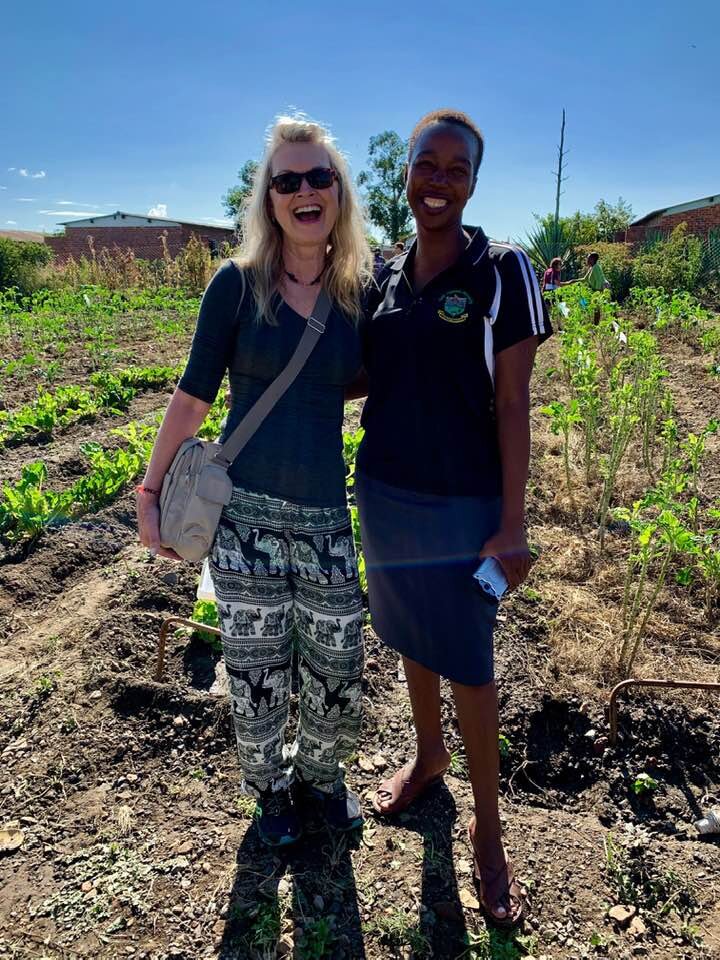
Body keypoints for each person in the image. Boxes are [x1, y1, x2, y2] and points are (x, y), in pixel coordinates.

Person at [137, 115, 372, 847]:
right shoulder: (236, 287)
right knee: (256, 670)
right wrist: (149, 495)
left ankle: (322, 779)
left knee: (339, 665)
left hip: (328, 518)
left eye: (319, 177)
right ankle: (270, 793)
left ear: (339, 192)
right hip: (241, 518)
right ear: (268, 200)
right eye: (287, 180)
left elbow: (378, 384)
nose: (305, 190)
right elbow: (192, 395)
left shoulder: (358, 294)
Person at [355, 109, 551, 928]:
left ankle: (490, 830)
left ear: (473, 181)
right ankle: (428, 756)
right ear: (405, 173)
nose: (437, 181)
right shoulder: (381, 279)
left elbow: (512, 403)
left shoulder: (503, 269)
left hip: (467, 505)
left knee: (471, 662)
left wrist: (512, 523)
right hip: (387, 497)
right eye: (424, 165)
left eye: (455, 169)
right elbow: (361, 382)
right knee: (408, 635)